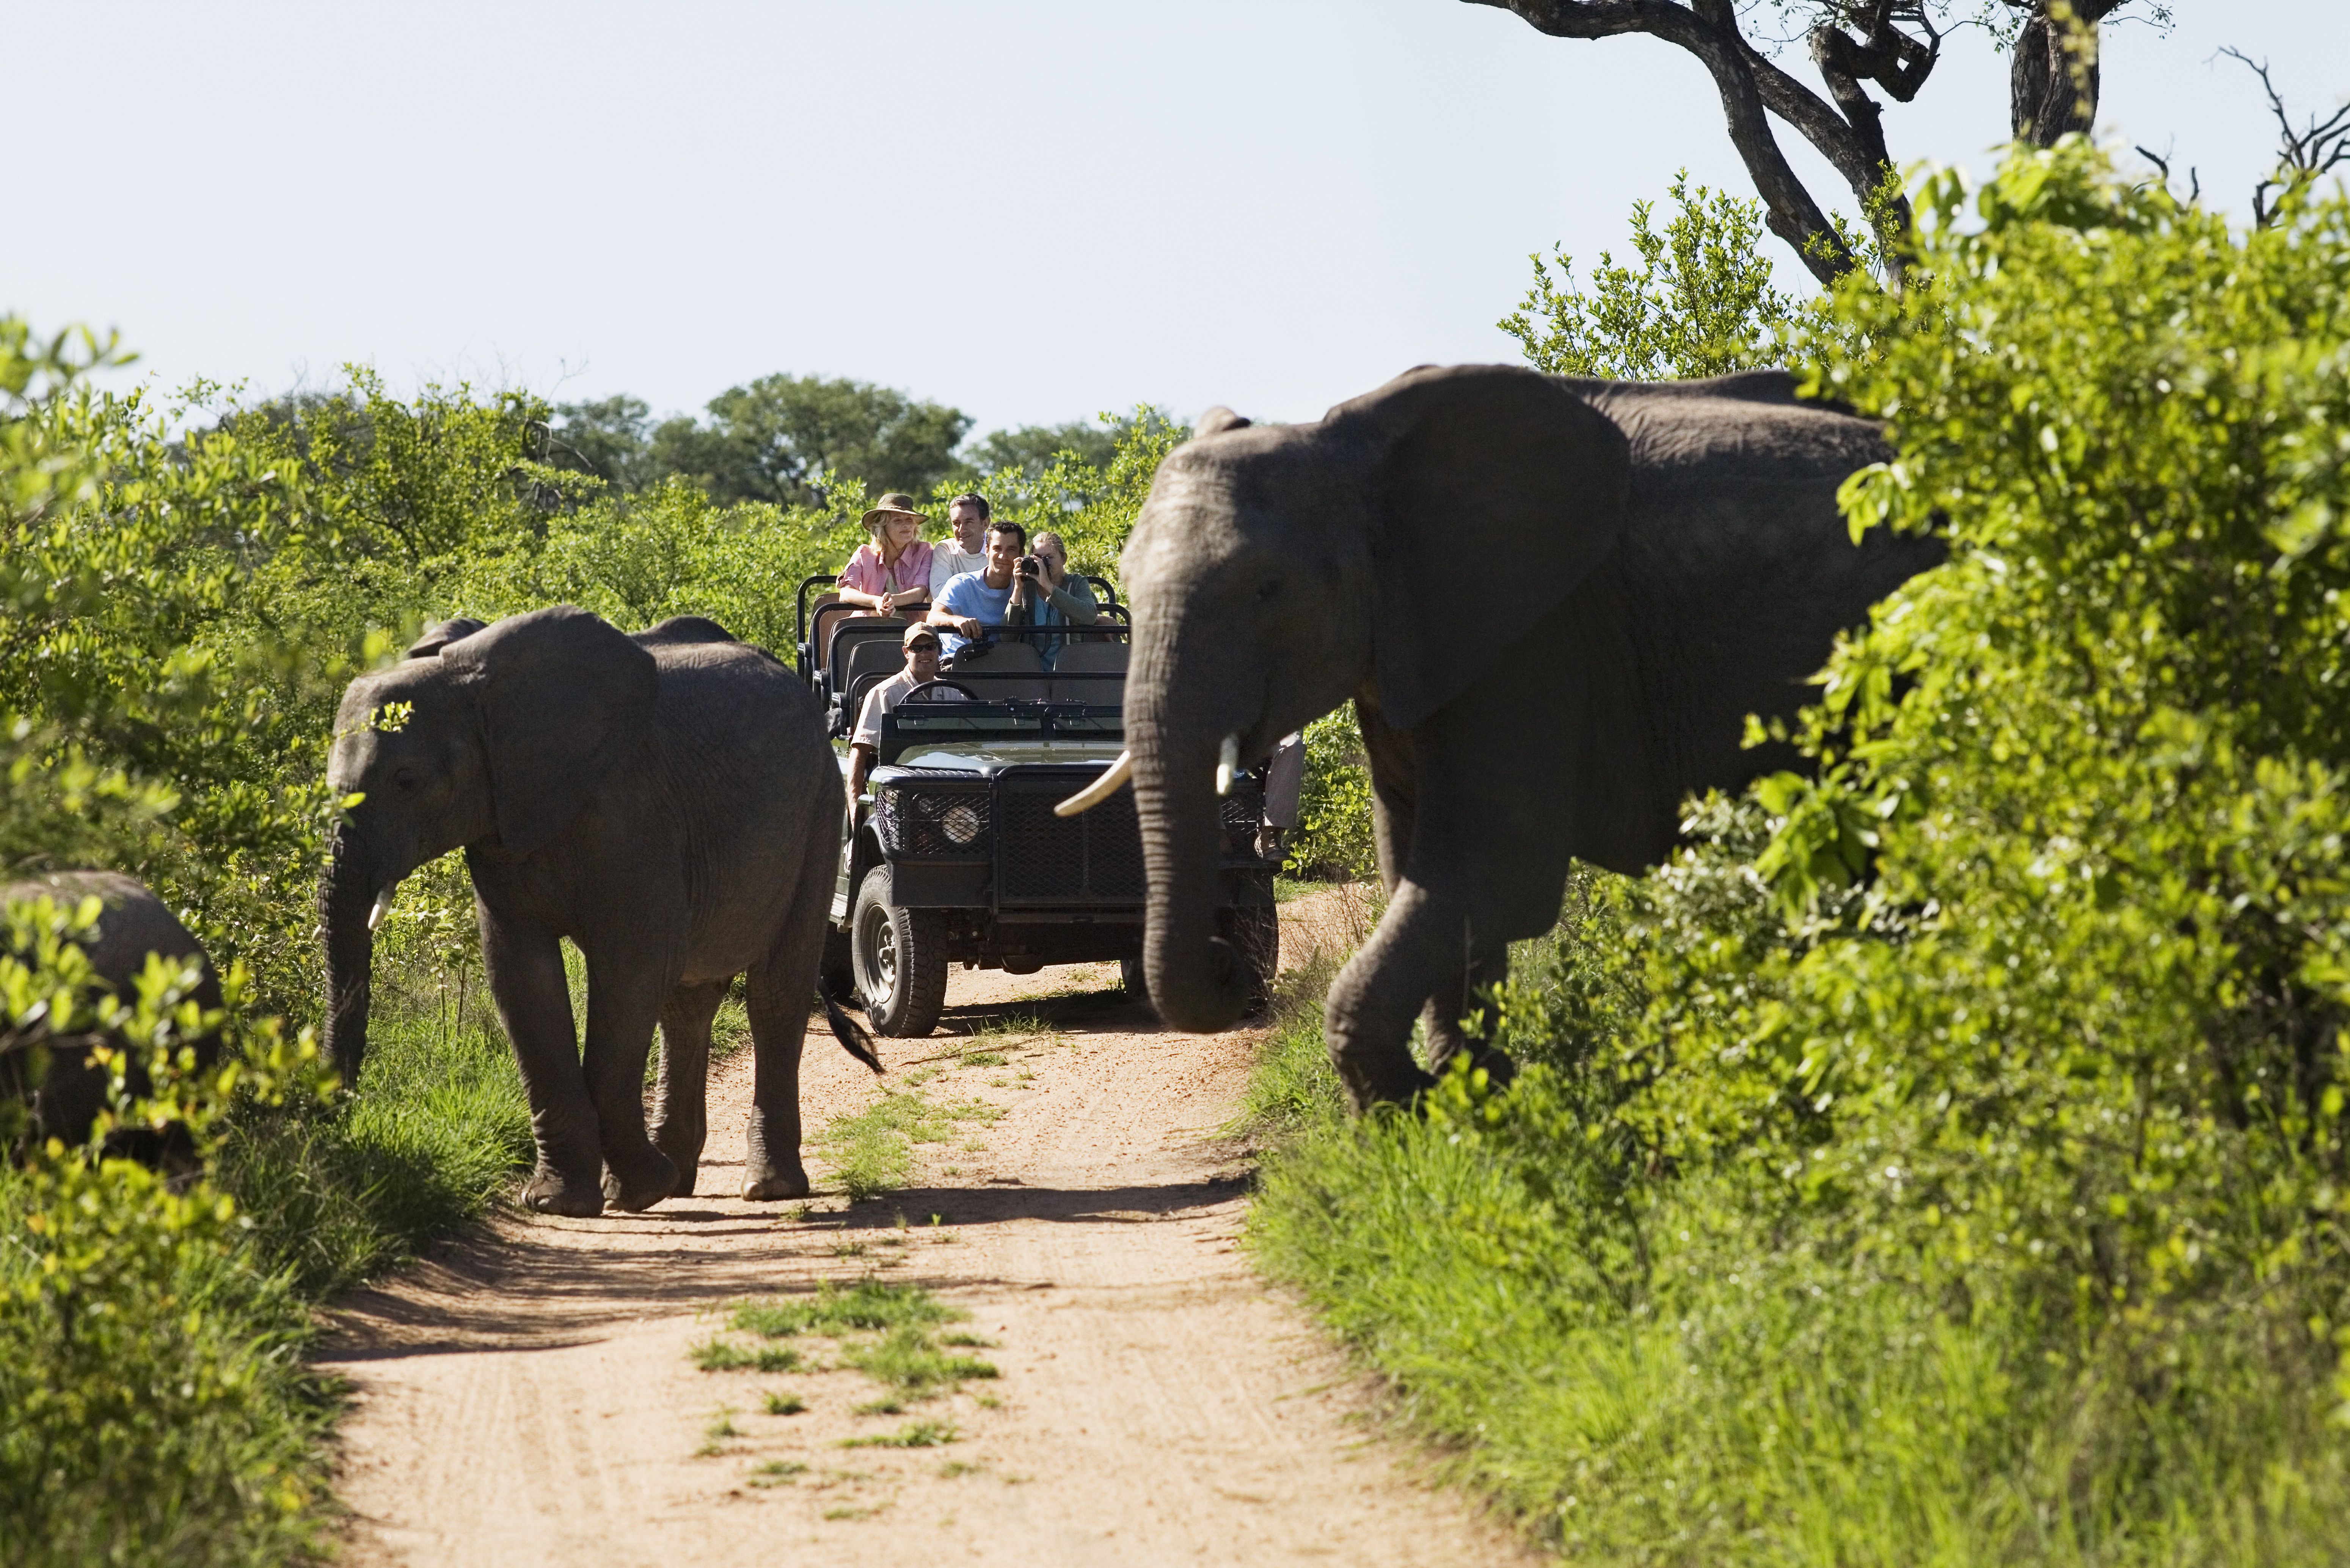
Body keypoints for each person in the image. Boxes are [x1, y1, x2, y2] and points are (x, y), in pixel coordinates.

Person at [845, 623, 967, 807]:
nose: (924, 654)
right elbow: (860, 752)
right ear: (906, 652)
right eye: (917, 648)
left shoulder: (953, 694)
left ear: (939, 650)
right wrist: (855, 808)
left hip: (946, 788)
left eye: (930, 647)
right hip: (897, 790)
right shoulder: (885, 693)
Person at [927, 520, 1039, 662]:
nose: (1003, 556)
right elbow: (933, 617)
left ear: (1022, 554)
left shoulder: (1025, 588)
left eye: (1011, 550)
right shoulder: (962, 583)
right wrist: (957, 620)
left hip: (1003, 665)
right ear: (987, 550)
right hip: (959, 662)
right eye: (997, 549)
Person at [837, 493, 934, 617]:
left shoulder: (924, 551)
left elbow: (920, 592)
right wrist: (876, 602)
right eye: (898, 521)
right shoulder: (864, 554)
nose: (906, 525)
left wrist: (892, 601)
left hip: (911, 630)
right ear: (883, 527)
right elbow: (845, 593)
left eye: (910, 520)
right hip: (864, 629)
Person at [1028, 530, 1106, 666]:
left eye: (1049, 558)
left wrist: (1049, 586)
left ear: (1064, 559)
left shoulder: (1076, 583)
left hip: (1070, 671)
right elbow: (1007, 636)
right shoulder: (1027, 587)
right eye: (1038, 558)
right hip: (1034, 674)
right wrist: (1017, 588)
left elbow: (1089, 616)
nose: (1044, 563)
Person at [929, 493, 991, 598]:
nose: (962, 529)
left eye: (969, 522)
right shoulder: (946, 549)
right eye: (956, 523)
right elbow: (940, 594)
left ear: (985, 524)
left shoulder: (1000, 550)